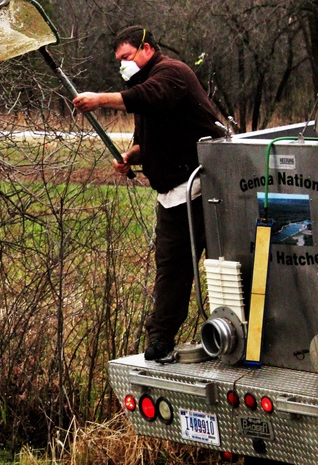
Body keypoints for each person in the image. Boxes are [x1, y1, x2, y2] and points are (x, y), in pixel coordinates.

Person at [73, 26, 225, 361]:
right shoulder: (141, 85)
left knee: (224, 266)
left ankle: (234, 333)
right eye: (119, 62)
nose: (123, 66)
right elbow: (146, 138)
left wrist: (100, 100)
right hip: (171, 194)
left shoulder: (171, 73)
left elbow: (150, 97)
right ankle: (161, 338)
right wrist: (132, 156)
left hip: (207, 186)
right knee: (171, 269)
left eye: (126, 57)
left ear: (145, 49)